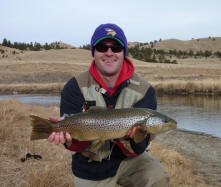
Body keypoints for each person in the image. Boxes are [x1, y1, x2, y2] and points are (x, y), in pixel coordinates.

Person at [48, 23, 169, 187]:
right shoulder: (75, 86)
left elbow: (139, 147)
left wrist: (129, 137)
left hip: (130, 161)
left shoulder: (144, 89)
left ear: (124, 52)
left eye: (116, 47)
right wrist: (65, 135)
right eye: (102, 47)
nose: (109, 53)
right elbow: (74, 146)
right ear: (94, 52)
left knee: (157, 176)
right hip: (90, 166)